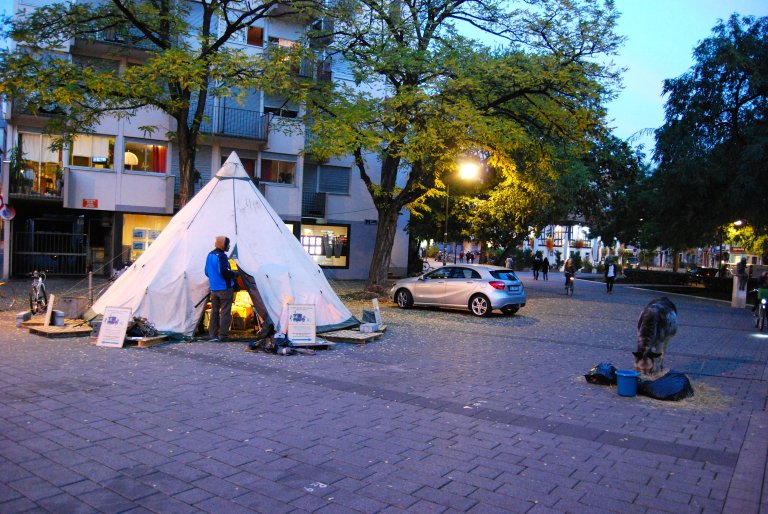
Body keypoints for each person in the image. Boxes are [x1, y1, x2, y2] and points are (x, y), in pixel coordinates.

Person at [205, 235, 237, 342]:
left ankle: (212, 334)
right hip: (224, 288)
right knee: (225, 312)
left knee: (214, 312)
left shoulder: (210, 255)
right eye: (227, 244)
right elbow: (224, 271)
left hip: (214, 289)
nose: (229, 246)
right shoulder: (222, 256)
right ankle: (223, 335)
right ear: (223, 245)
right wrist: (234, 274)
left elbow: (206, 272)